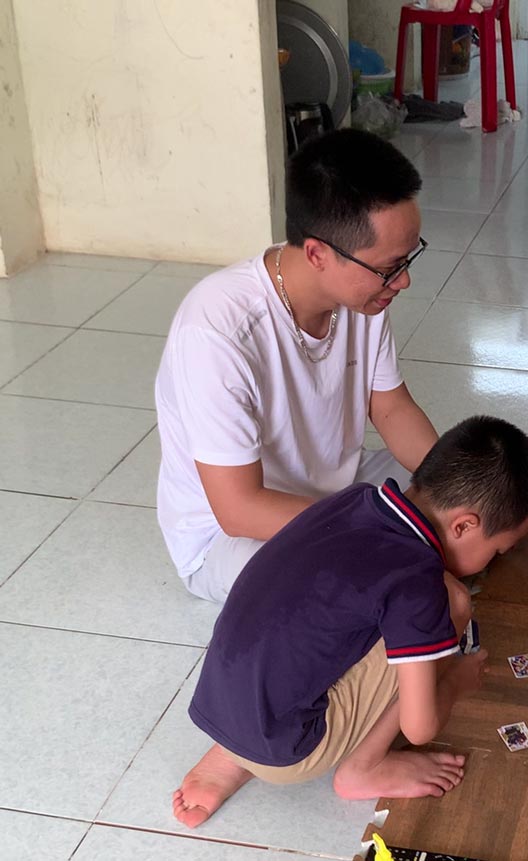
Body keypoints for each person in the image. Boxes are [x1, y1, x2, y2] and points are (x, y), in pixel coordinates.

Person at [171, 416, 528, 828]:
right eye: (496, 551)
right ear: (464, 525)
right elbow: (420, 728)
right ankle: (365, 767)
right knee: (453, 604)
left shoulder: (354, 500)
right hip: (290, 749)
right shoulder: (418, 580)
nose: (492, 562)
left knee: (334, 628)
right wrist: (455, 679)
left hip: (221, 700)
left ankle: (231, 754)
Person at [155, 128, 438, 604]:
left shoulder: (364, 296)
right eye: (391, 266)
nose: (403, 279)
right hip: (232, 537)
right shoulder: (217, 331)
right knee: (353, 590)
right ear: (317, 254)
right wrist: (366, 529)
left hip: (335, 491)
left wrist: (462, 485)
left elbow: (391, 409)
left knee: (464, 493)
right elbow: (239, 509)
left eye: (407, 259)